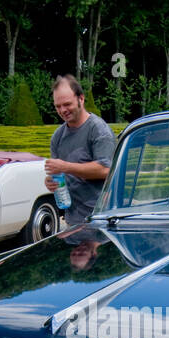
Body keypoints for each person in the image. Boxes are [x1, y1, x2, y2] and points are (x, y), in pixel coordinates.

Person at [43, 75, 114, 225]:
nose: (63, 110)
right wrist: (50, 182)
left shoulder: (98, 130)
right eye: (58, 106)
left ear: (81, 99)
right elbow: (59, 175)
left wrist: (66, 167)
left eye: (67, 104)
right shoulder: (57, 136)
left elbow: (106, 170)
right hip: (72, 220)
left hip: (100, 219)